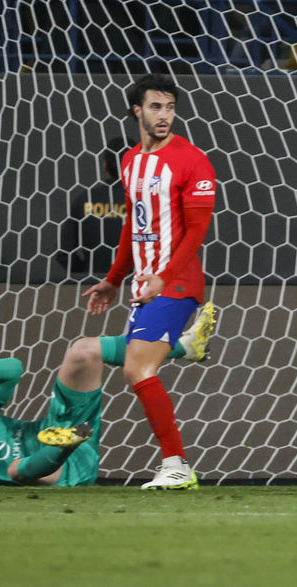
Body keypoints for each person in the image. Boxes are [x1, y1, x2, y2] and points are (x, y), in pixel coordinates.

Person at [81, 74, 218, 491]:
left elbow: (197, 231)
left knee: (137, 368)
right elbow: (132, 226)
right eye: (156, 107)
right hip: (146, 284)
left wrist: (164, 276)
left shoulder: (193, 159)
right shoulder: (130, 161)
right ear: (137, 111)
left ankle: (177, 465)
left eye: (170, 107)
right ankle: (186, 346)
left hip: (175, 283)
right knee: (130, 362)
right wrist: (112, 280)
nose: (165, 115)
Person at [0, 309, 216, 486]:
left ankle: (185, 348)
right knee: (13, 472)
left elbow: (13, 369)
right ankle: (61, 447)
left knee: (83, 351)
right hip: (61, 474)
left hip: (64, 426)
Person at [57, 136, 133, 278]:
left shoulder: (85, 200)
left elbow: (64, 252)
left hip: (94, 289)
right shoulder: (148, 203)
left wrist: (85, 275)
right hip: (137, 289)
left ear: (105, 166)